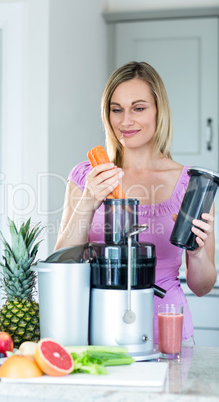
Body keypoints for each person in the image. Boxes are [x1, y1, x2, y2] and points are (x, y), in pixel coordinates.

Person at [54, 61, 217, 345]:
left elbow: (201, 287)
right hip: (96, 333)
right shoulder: (85, 177)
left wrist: (199, 253)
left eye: (138, 108)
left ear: (159, 111)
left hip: (166, 337)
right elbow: (61, 265)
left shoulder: (191, 185)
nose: (125, 121)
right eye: (116, 109)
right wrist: (88, 202)